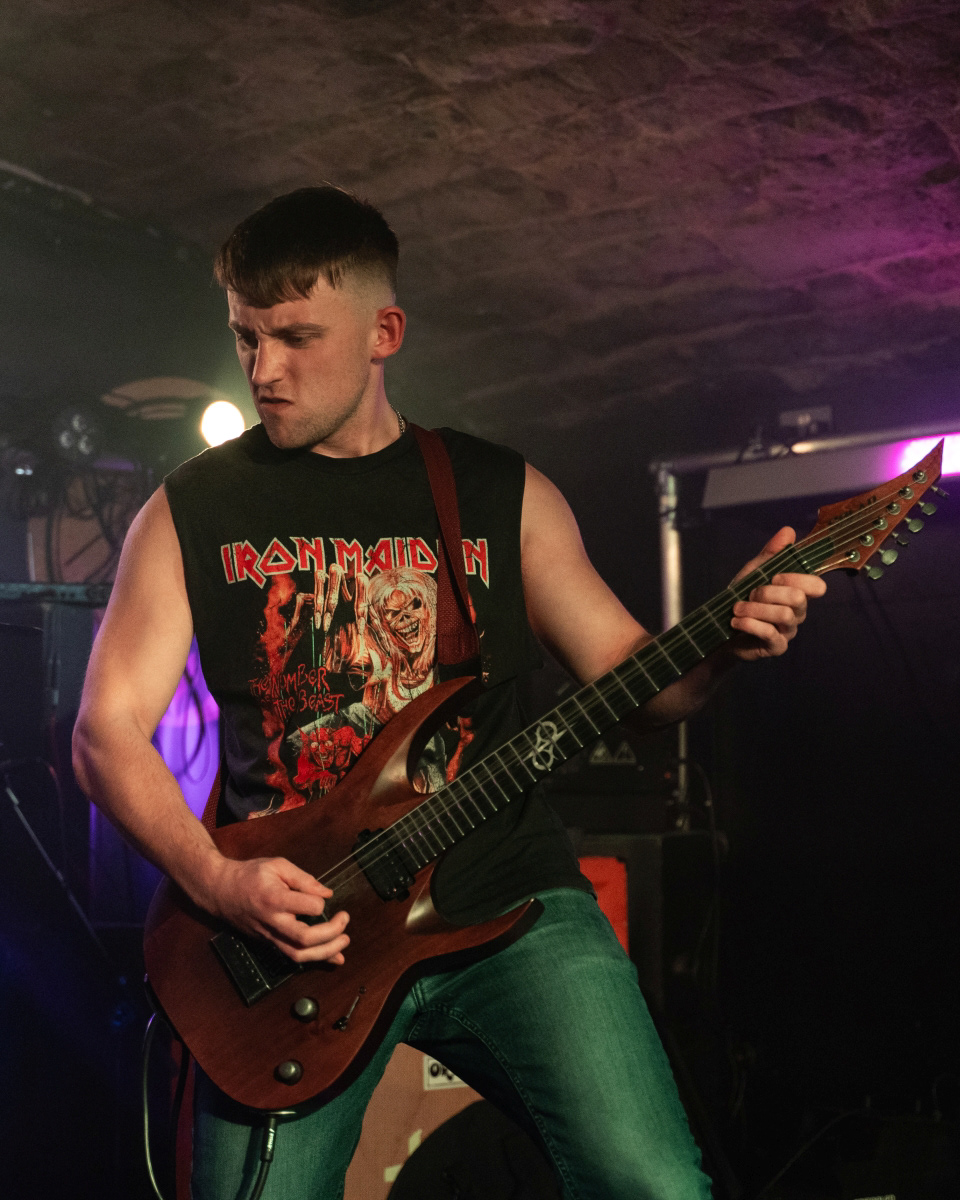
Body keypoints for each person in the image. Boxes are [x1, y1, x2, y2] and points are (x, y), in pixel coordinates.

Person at [72, 186, 826, 1200]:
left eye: (296, 338)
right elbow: (106, 731)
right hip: (298, 938)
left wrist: (724, 645)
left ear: (384, 334)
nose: (263, 371)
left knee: (652, 1183)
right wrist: (218, 882)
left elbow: (645, 688)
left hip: (503, 903)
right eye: (246, 336)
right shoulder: (192, 510)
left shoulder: (503, 495)